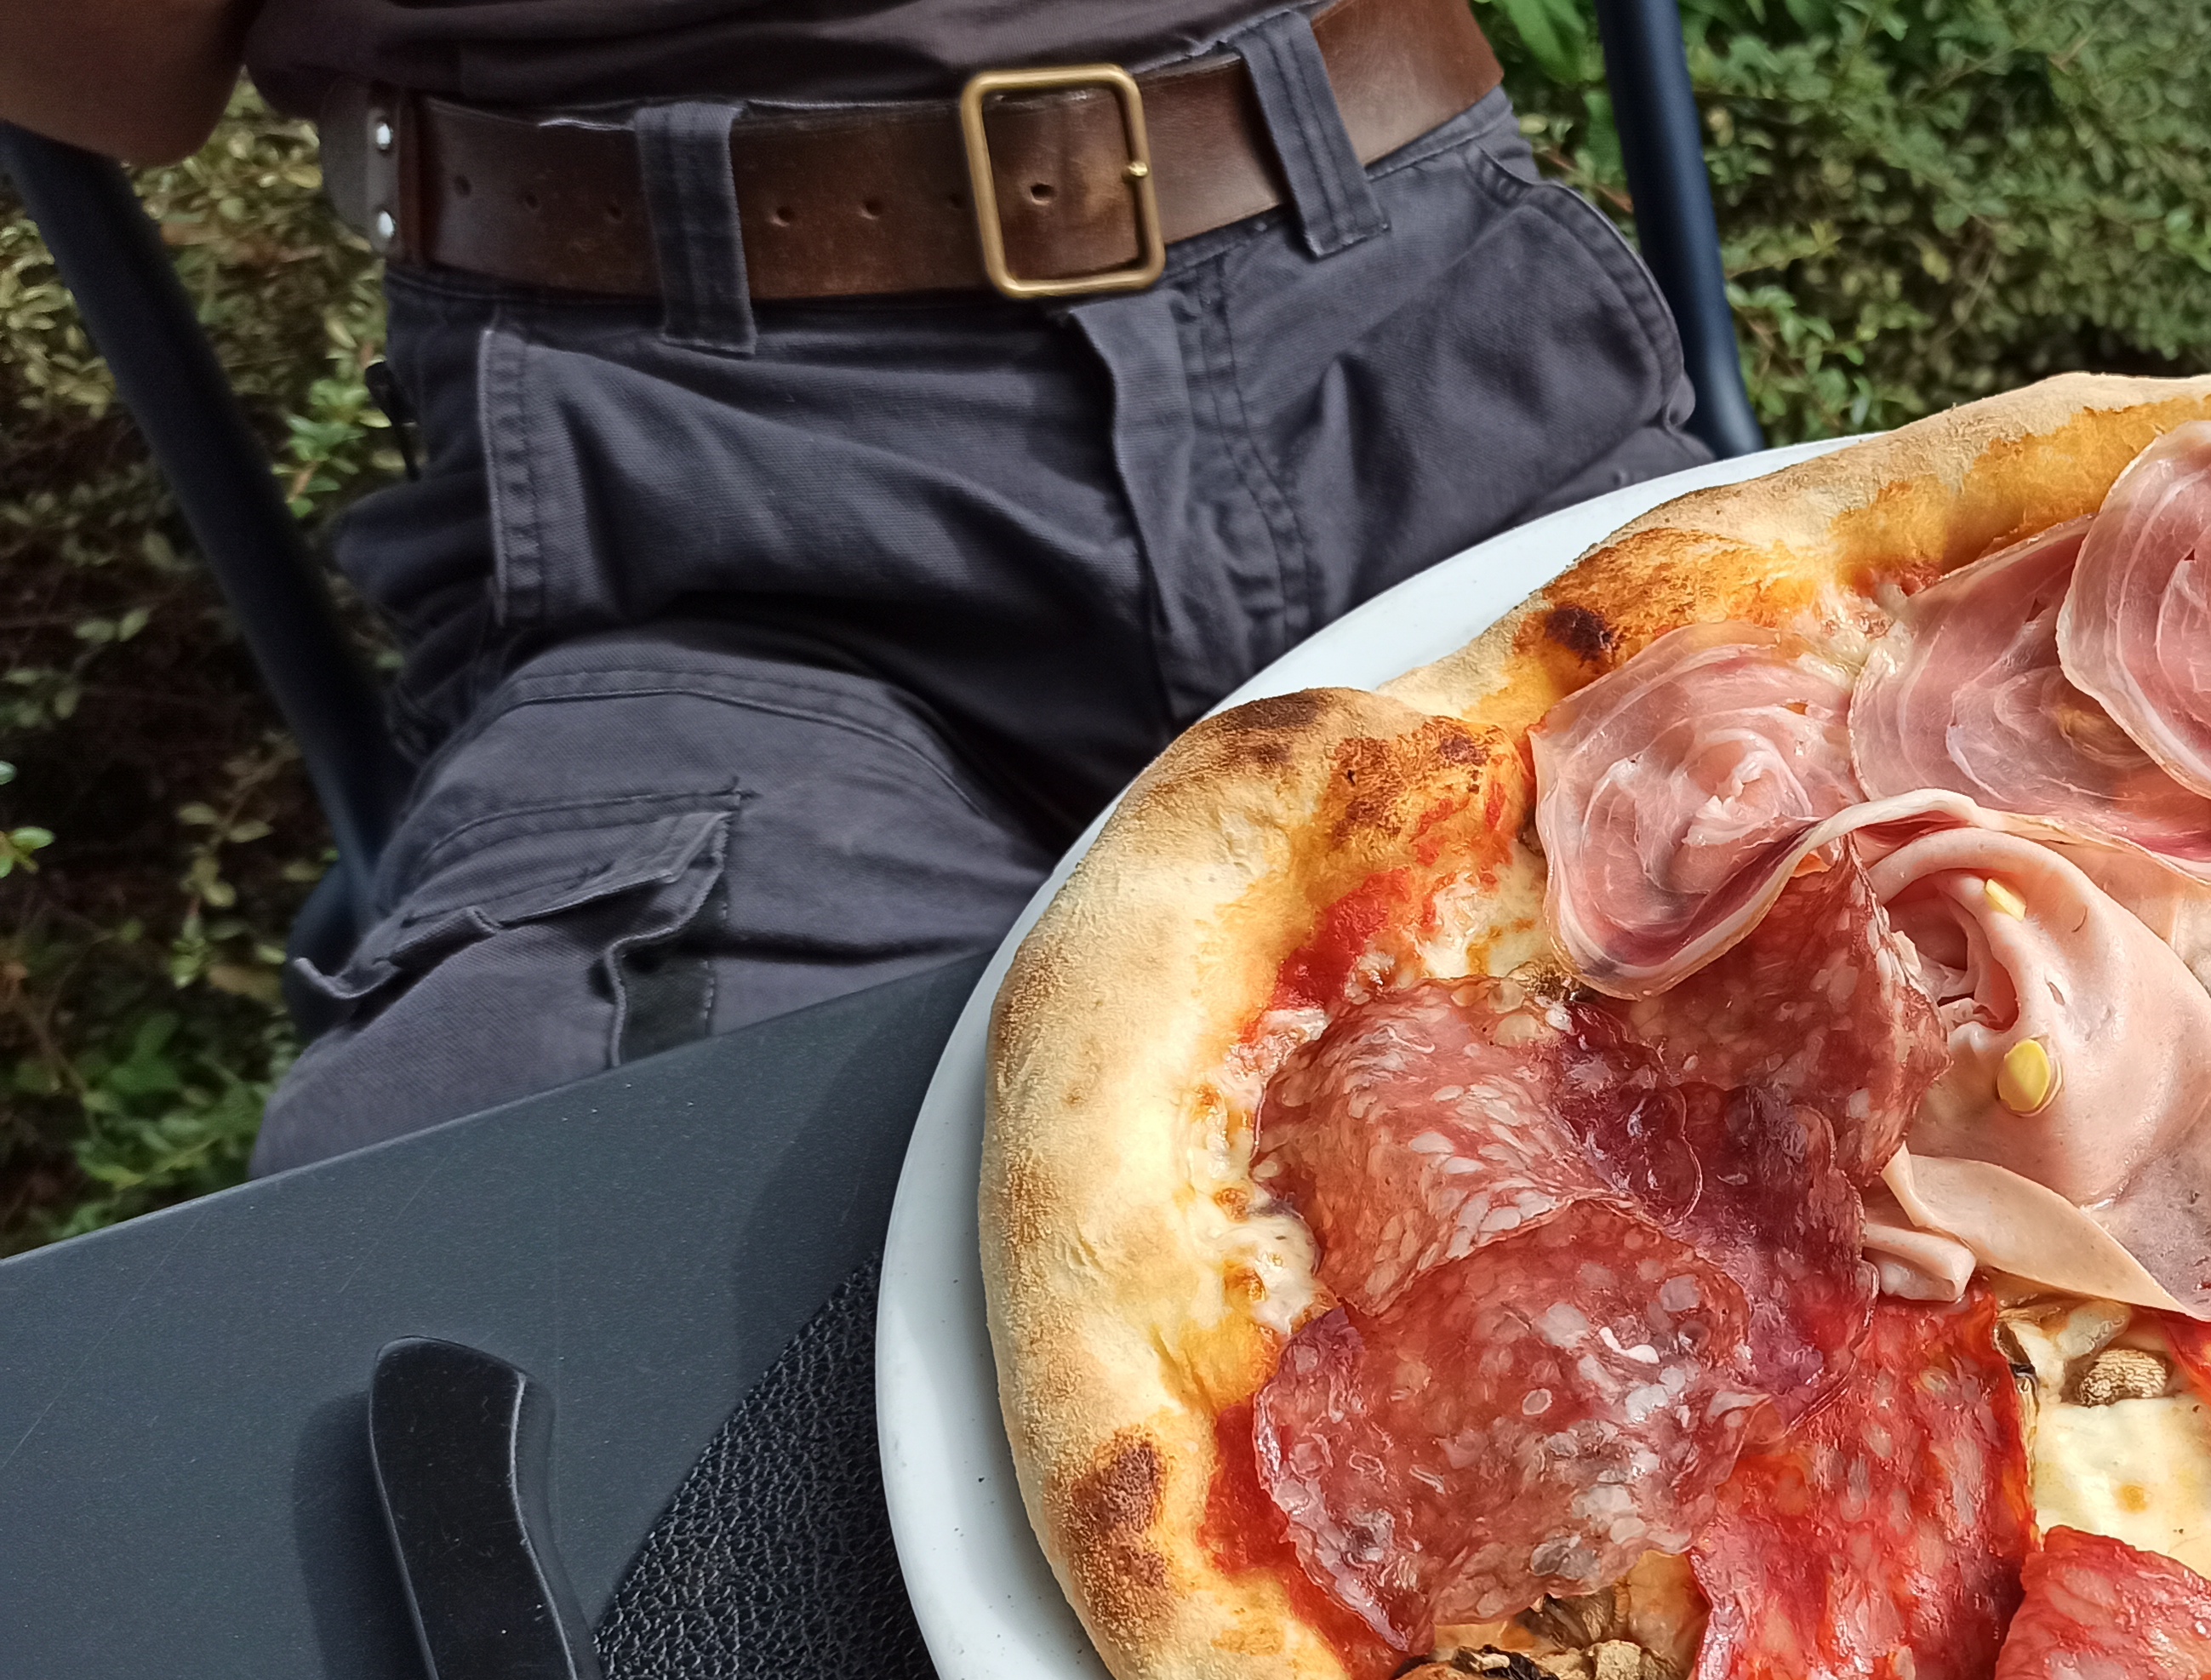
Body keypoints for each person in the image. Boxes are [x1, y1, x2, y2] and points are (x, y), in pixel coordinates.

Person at [2, 0, 1705, 1171]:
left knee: (1837, 1044)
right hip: (703, 519)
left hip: (1411, 357)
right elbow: (114, 69)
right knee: (506, 1273)